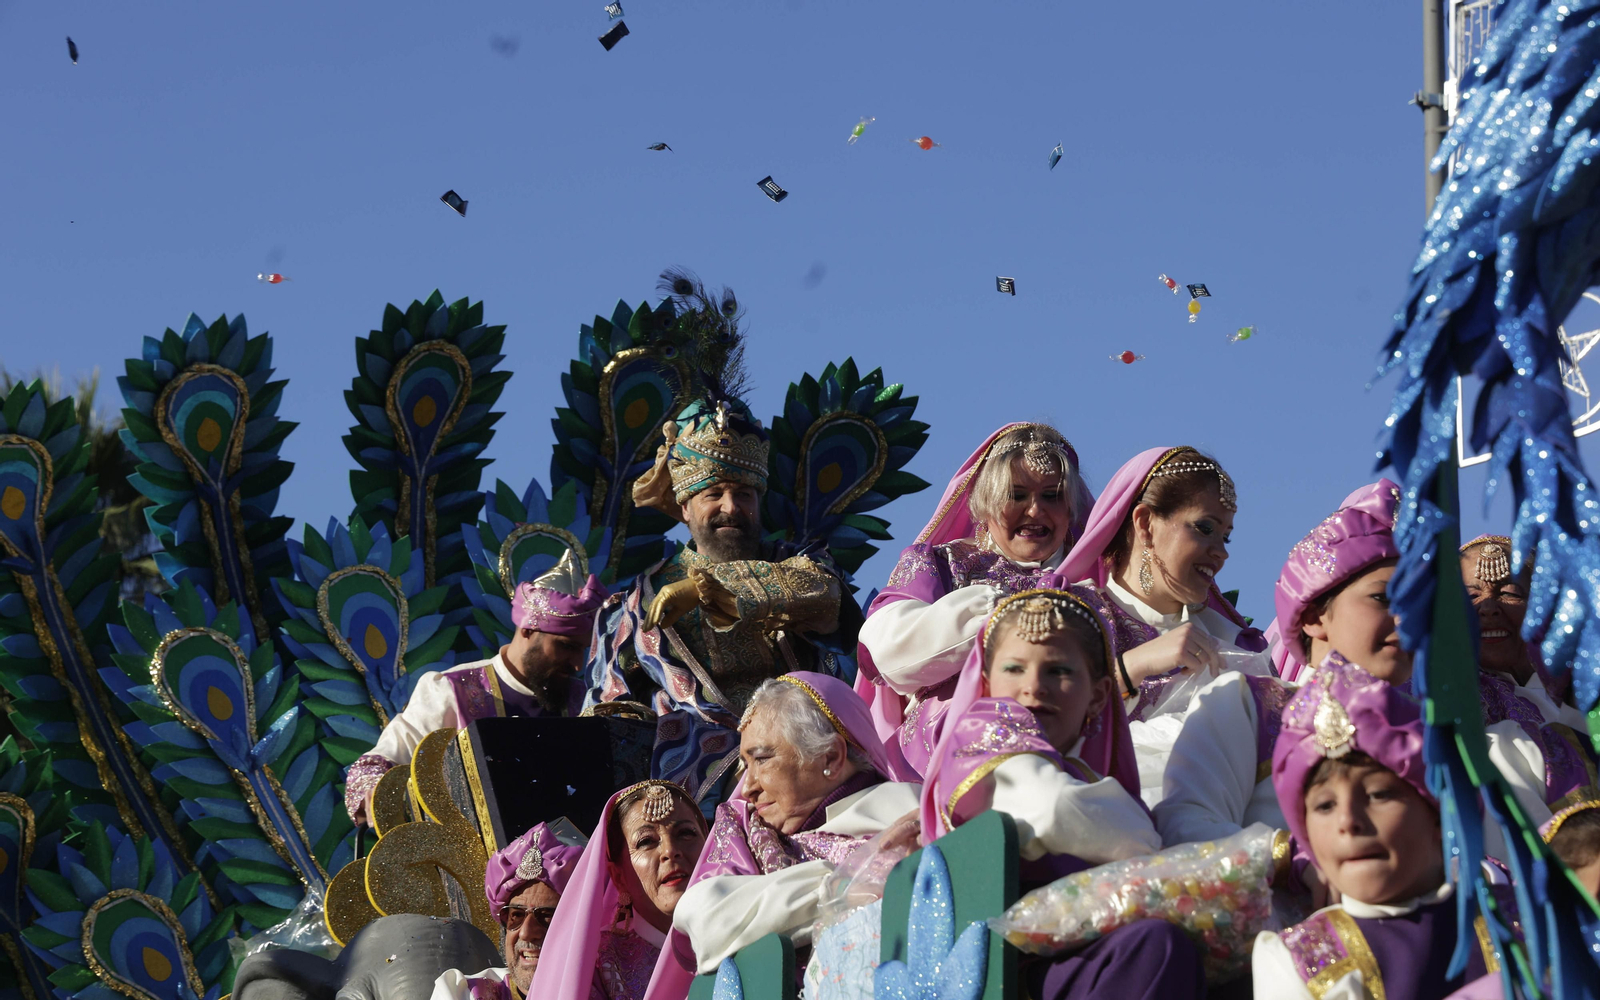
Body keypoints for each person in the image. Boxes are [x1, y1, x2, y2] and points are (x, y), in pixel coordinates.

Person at [921, 586, 1204, 1000]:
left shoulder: (1083, 772)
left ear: (1099, 694)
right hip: (999, 971)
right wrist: (1146, 844)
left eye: (1059, 671)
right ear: (985, 683)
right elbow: (1053, 808)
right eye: (1014, 669)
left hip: (1062, 959)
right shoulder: (982, 734)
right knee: (1153, 949)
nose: (1034, 687)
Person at [585, 397, 853, 801]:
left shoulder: (808, 567)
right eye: (713, 494)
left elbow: (831, 601)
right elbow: (606, 719)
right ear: (684, 507)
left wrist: (705, 588)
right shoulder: (633, 605)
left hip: (814, 767)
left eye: (744, 494)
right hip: (694, 794)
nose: (731, 508)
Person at [1153, 480, 1402, 849]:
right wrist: (1293, 865)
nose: (1408, 620)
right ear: (1315, 616)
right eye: (1383, 598)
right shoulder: (1250, 705)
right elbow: (1186, 826)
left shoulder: (1439, 738)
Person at [644, 673, 920, 999]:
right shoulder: (745, 828)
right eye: (746, 764)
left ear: (830, 757)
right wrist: (846, 881)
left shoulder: (916, 813)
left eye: (761, 760)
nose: (747, 787)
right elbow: (704, 919)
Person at [855, 423, 1094, 775]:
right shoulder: (945, 564)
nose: (1034, 511)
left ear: (1072, 507)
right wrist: (995, 617)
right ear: (986, 504)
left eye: (1051, 495)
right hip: (950, 756)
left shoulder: (1093, 585)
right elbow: (890, 652)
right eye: (1016, 495)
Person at [1252, 659, 1493, 1000]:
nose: (1348, 821)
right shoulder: (1295, 962)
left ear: (1439, 814)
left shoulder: (1519, 917)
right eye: (1324, 806)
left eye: (1379, 795)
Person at [1053, 445, 1270, 807]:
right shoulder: (1068, 617)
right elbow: (1030, 732)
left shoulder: (1233, 644)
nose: (1222, 552)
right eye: (1205, 528)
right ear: (1145, 524)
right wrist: (1129, 667)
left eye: (1226, 536)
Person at [344, 552, 606, 824]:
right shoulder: (450, 690)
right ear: (527, 630)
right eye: (566, 646)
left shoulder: (585, 700)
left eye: (582, 650)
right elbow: (376, 765)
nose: (578, 664)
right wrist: (378, 793)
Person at [529, 780, 709, 1000]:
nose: (670, 851)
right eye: (646, 842)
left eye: (686, 833)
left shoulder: (747, 921)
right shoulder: (595, 966)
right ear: (618, 876)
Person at [431, 823, 584, 1000]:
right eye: (516, 915)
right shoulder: (463, 992)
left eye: (547, 916)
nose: (526, 933)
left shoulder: (615, 988)